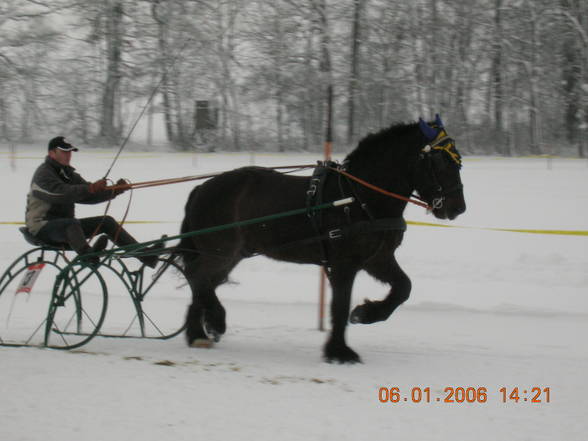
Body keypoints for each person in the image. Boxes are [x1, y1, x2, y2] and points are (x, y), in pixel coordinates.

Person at [24, 136, 158, 267]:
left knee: (107, 222)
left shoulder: (69, 175)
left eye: (70, 152)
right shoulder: (43, 174)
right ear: (51, 153)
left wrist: (114, 190)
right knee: (71, 223)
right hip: (41, 228)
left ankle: (145, 256)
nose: (68, 155)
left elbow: (88, 196)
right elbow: (59, 193)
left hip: (67, 228)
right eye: (64, 152)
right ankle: (87, 255)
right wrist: (90, 188)